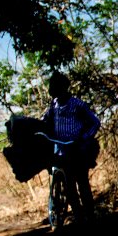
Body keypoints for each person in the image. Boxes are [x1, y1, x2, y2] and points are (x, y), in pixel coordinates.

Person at [42, 71, 101, 222]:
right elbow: (45, 121)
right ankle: (79, 217)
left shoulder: (77, 104)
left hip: (77, 151)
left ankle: (91, 216)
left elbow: (95, 122)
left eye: (56, 88)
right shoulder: (53, 105)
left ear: (64, 88)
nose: (54, 92)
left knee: (82, 184)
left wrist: (84, 138)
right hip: (61, 152)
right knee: (69, 188)